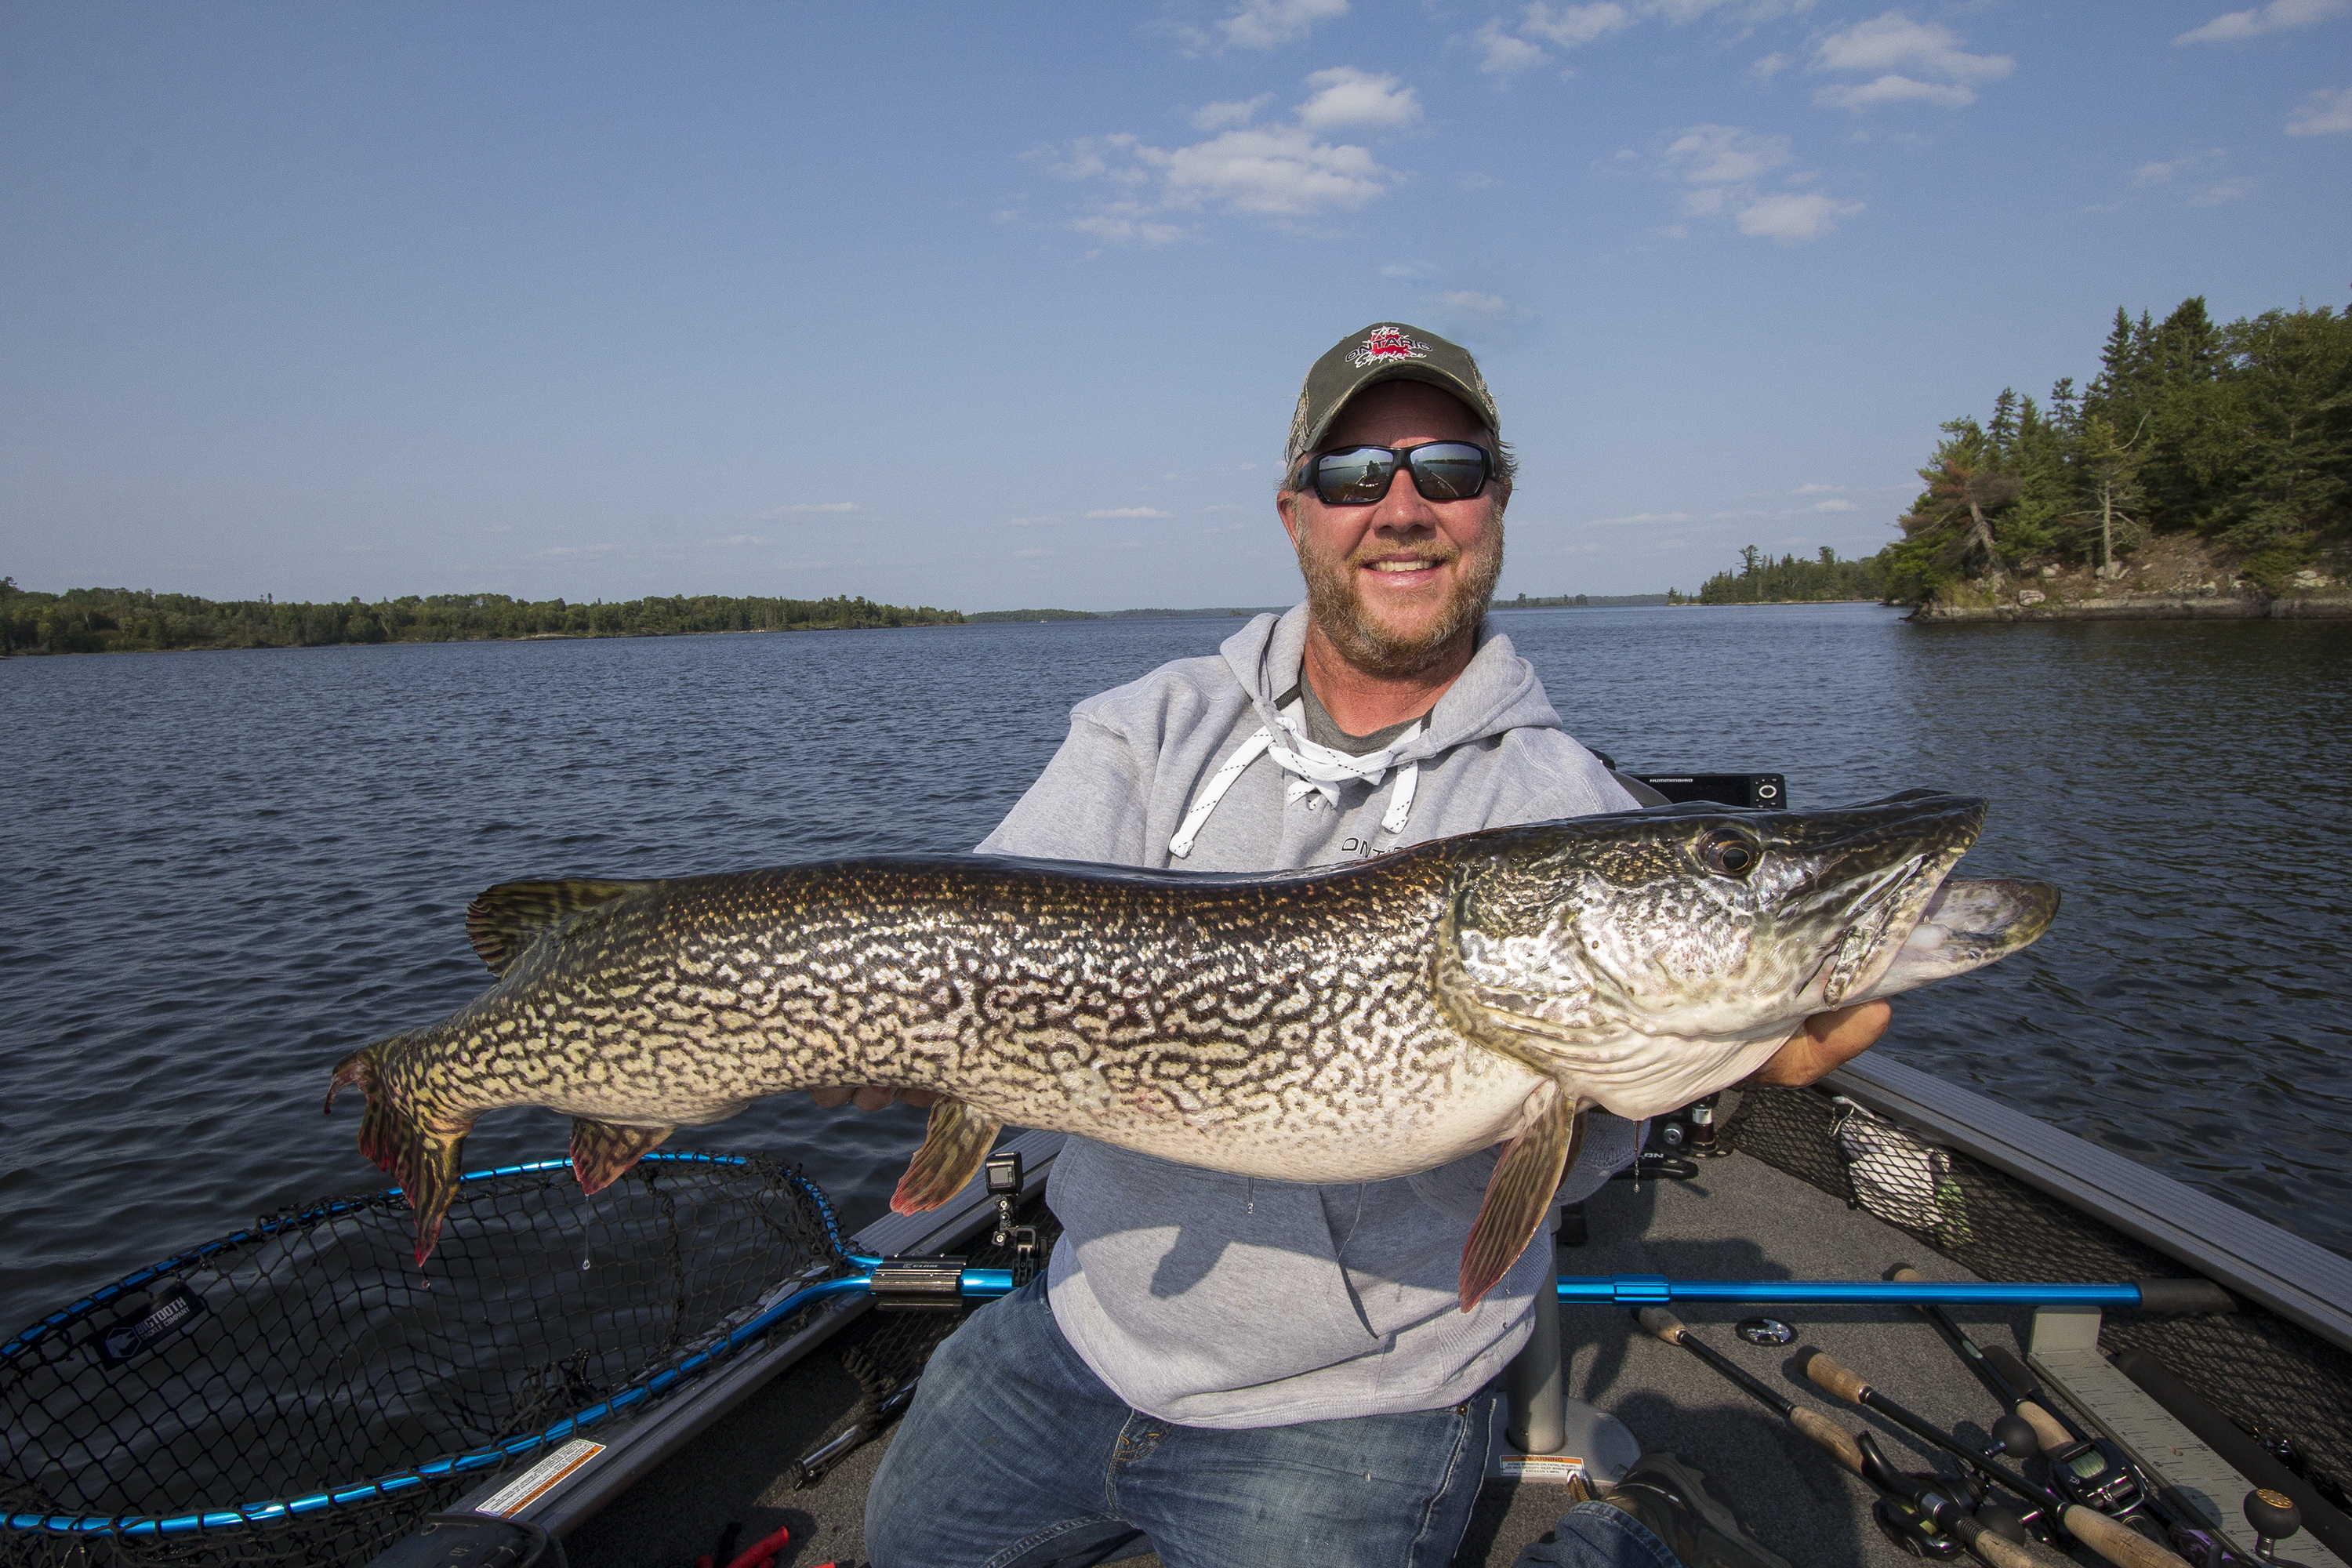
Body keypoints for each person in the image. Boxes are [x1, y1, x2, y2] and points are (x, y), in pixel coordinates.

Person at [850, 323, 1889, 1568]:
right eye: (1355, 478)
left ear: (1495, 502)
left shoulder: (1567, 807)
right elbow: (969, 940)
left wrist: (1722, 1051)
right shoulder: (1148, 728)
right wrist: (894, 1044)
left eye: (1447, 470)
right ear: (1297, 513)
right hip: (1082, 1329)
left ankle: (1621, 1544)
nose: (1402, 508)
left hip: (1354, 1400)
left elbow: (1592, 1140)